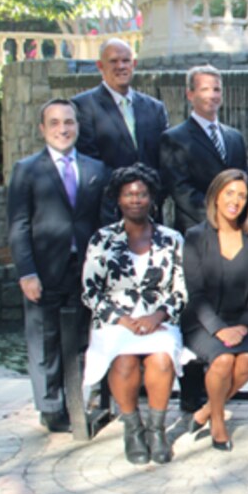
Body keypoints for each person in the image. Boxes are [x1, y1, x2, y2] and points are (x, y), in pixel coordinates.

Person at [9, 99, 110, 432]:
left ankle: (76, 401)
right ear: (42, 129)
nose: (62, 129)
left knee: (82, 337)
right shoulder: (27, 170)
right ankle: (50, 407)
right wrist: (26, 272)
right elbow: (19, 225)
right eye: (54, 123)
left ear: (77, 126)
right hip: (44, 269)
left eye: (68, 122)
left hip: (85, 271)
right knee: (45, 339)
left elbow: (104, 222)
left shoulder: (95, 169)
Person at [80, 164, 186, 465]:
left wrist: (158, 316)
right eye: (128, 194)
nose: (136, 199)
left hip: (159, 319)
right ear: (118, 199)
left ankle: (156, 430)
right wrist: (123, 319)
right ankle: (133, 429)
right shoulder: (102, 240)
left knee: (162, 360)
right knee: (125, 362)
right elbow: (90, 291)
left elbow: (181, 290)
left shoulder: (171, 239)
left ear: (152, 198)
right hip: (116, 321)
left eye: (142, 194)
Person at [182, 169, 248, 451]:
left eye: (243, 196)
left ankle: (207, 409)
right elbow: (195, 293)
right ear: (216, 196)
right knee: (222, 361)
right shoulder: (195, 237)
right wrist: (220, 328)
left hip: (246, 320)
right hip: (204, 321)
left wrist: (244, 325)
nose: (236, 201)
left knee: (245, 362)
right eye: (229, 193)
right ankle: (218, 421)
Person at [161, 65, 248, 234]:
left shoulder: (235, 137)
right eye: (205, 89)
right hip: (197, 229)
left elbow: (246, 181)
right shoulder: (175, 138)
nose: (212, 95)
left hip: (235, 226)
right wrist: (219, 217)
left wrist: (236, 216)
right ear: (190, 95)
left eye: (217, 90)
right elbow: (181, 190)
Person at [71, 39, 169, 176]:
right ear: (100, 66)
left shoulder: (154, 108)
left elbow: (166, 158)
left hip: (152, 195)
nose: (121, 66)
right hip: (108, 194)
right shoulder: (83, 107)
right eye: (113, 61)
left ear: (133, 64)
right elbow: (88, 160)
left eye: (126, 60)